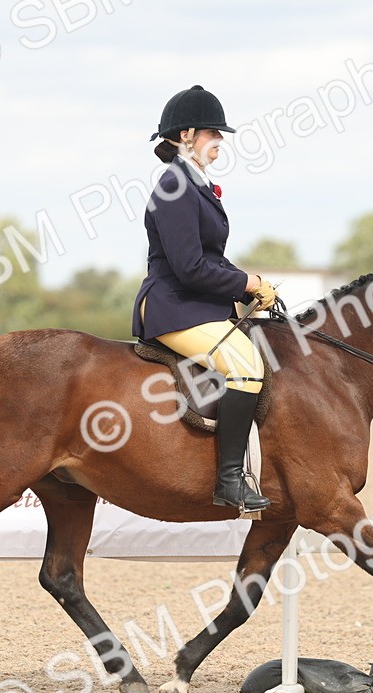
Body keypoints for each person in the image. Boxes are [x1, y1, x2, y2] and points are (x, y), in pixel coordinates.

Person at [133, 85, 277, 513]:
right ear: (188, 134)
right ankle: (229, 480)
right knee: (247, 367)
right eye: (215, 133)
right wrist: (245, 283)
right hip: (173, 305)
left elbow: (210, 258)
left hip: (194, 304)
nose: (221, 141)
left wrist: (245, 284)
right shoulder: (175, 187)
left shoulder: (195, 185)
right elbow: (190, 267)